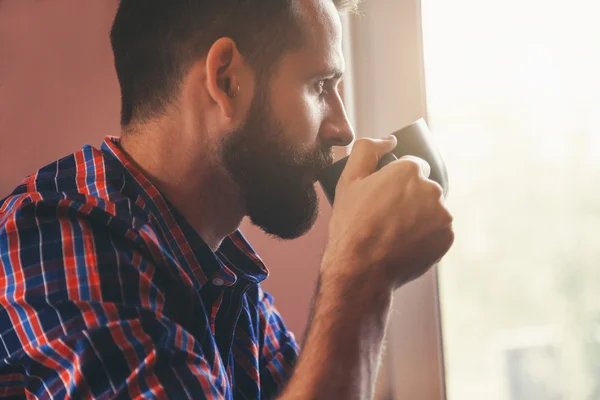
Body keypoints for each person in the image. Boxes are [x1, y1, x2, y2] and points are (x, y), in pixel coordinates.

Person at [0, 0, 454, 398]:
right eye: (319, 86)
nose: (343, 128)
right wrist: (362, 271)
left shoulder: (231, 282)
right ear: (227, 80)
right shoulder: (53, 240)